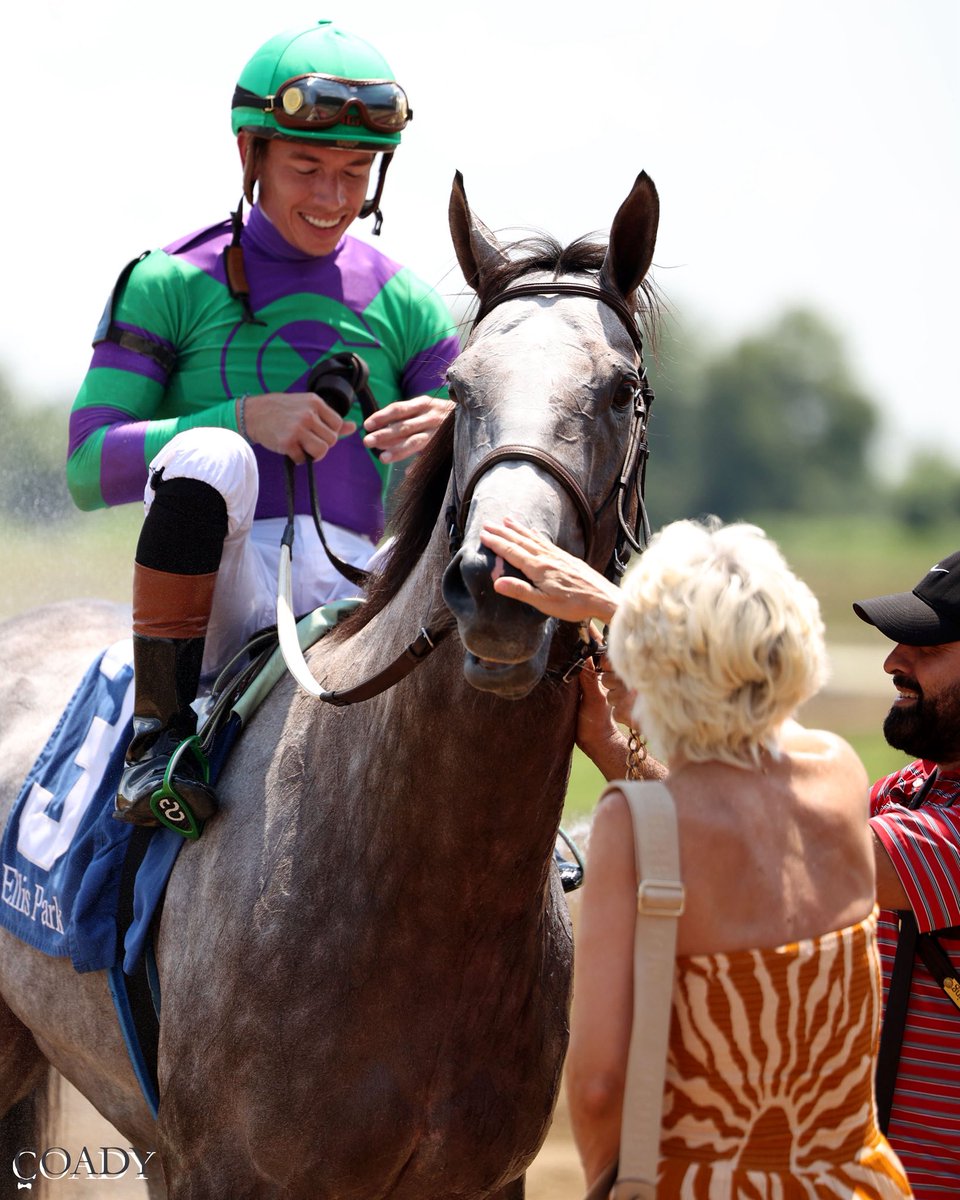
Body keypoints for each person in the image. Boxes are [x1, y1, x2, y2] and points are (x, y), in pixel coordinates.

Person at [66, 21, 460, 830]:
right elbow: (85, 465)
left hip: (365, 589)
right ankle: (159, 740)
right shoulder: (167, 280)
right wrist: (243, 418)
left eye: (356, 172)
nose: (333, 198)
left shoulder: (411, 305)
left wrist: (458, 430)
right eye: (307, 168)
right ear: (251, 156)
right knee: (212, 455)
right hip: (218, 593)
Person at [482, 517, 912, 1196]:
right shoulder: (839, 770)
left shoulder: (635, 823)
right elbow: (752, 774)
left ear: (659, 664)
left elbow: (596, 1088)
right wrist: (642, 632)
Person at [853, 553, 960, 1197]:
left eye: (927, 643)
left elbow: (793, 851)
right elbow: (740, 844)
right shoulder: (912, 791)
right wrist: (619, 746)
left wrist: (652, 636)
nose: (895, 660)